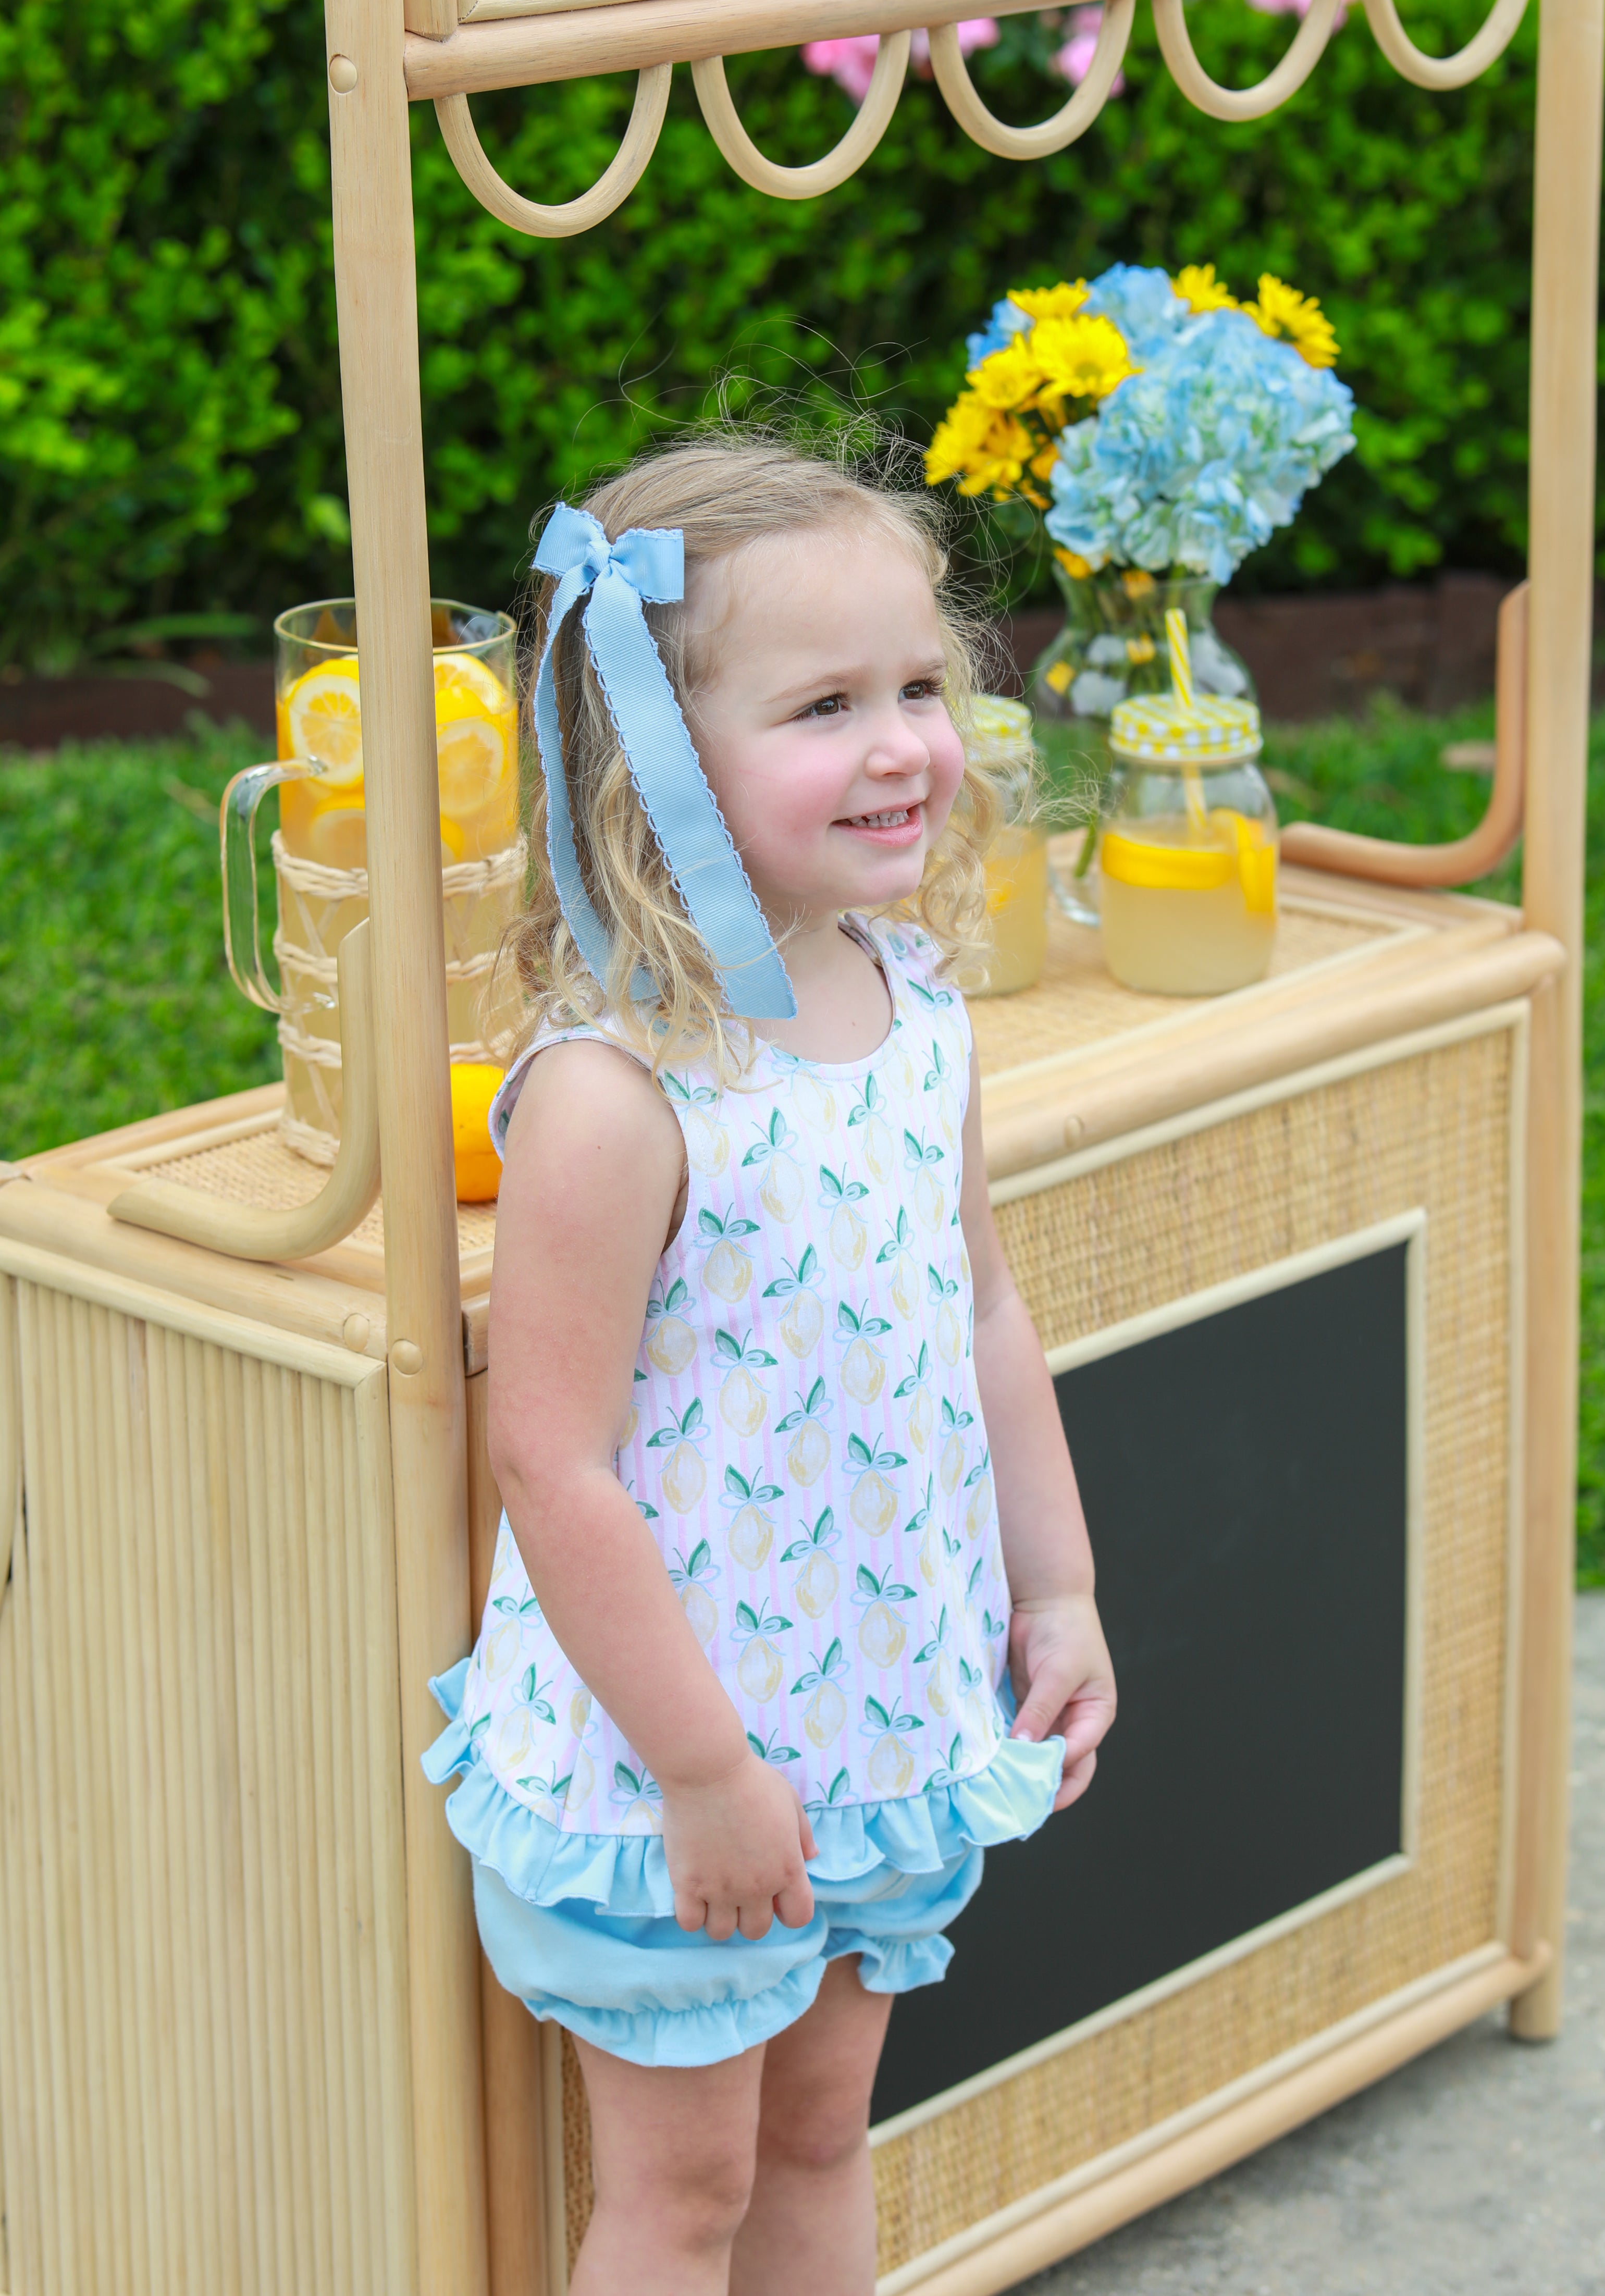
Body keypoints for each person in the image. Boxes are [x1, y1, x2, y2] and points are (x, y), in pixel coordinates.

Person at [424, 434, 1117, 2294]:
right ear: (648, 752)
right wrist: (706, 1773)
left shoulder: (914, 1011)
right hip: (676, 1760)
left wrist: (1055, 1588)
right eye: (824, 706)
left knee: (818, 2142)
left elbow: (981, 1312)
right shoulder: (617, 1096)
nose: (902, 746)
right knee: (683, 2200)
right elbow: (551, 1463)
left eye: (918, 688)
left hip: (874, 1717)